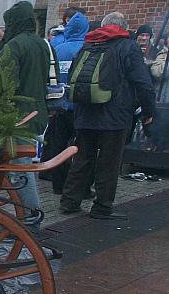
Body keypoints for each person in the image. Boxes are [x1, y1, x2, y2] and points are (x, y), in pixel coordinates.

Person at [60, 12, 155, 219]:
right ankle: (102, 207)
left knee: (82, 158)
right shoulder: (127, 47)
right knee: (109, 162)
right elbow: (143, 83)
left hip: (85, 113)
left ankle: (69, 201)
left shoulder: (88, 44)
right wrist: (149, 112)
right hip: (115, 115)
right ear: (124, 27)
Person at [1, 1, 51, 233]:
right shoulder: (42, 43)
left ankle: (31, 218)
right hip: (38, 113)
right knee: (26, 165)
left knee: (20, 169)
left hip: (18, 118)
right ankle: (31, 214)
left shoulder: (14, 46)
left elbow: (4, 84)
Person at [42, 10, 90, 194]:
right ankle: (78, 187)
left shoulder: (58, 46)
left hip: (59, 104)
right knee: (80, 148)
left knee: (58, 145)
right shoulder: (86, 48)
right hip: (78, 105)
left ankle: (57, 183)